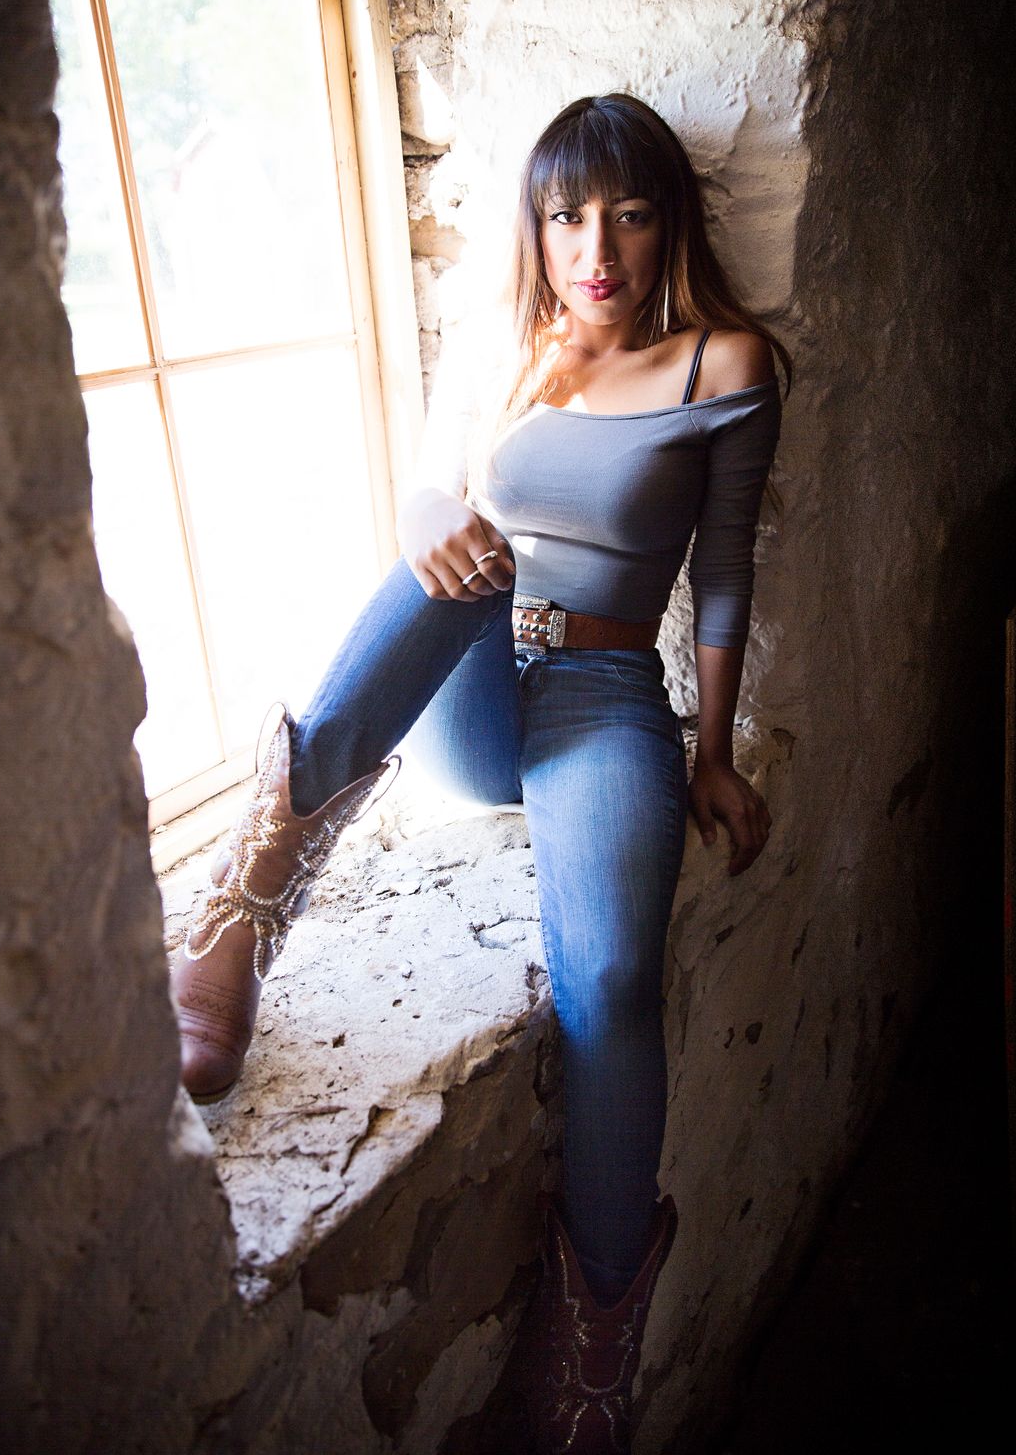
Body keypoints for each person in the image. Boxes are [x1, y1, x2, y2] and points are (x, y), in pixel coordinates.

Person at [169, 91, 789, 1455]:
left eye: (629, 216)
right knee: (462, 549)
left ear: (670, 225)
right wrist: (435, 512)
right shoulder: (508, 344)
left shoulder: (723, 364)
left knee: (611, 983)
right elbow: (422, 501)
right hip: (475, 687)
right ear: (537, 228)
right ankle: (245, 905)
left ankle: (591, 1363)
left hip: (605, 701)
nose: (597, 252)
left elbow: (727, 575)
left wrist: (713, 752)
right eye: (569, 218)